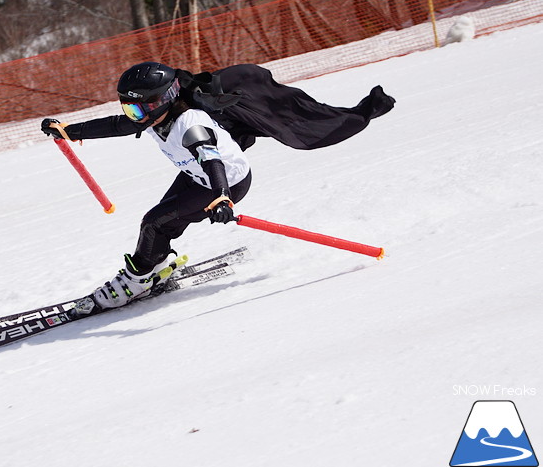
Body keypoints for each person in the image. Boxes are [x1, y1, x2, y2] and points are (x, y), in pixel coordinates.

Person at [41, 62, 395, 309]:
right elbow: (118, 126)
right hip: (198, 176)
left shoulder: (188, 123)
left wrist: (223, 196)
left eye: (137, 110)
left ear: (160, 100)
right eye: (129, 108)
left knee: (154, 221)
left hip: (222, 181)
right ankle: (155, 264)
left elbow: (210, 157)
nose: (134, 116)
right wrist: (70, 131)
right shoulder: (156, 116)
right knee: (162, 221)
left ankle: (138, 279)